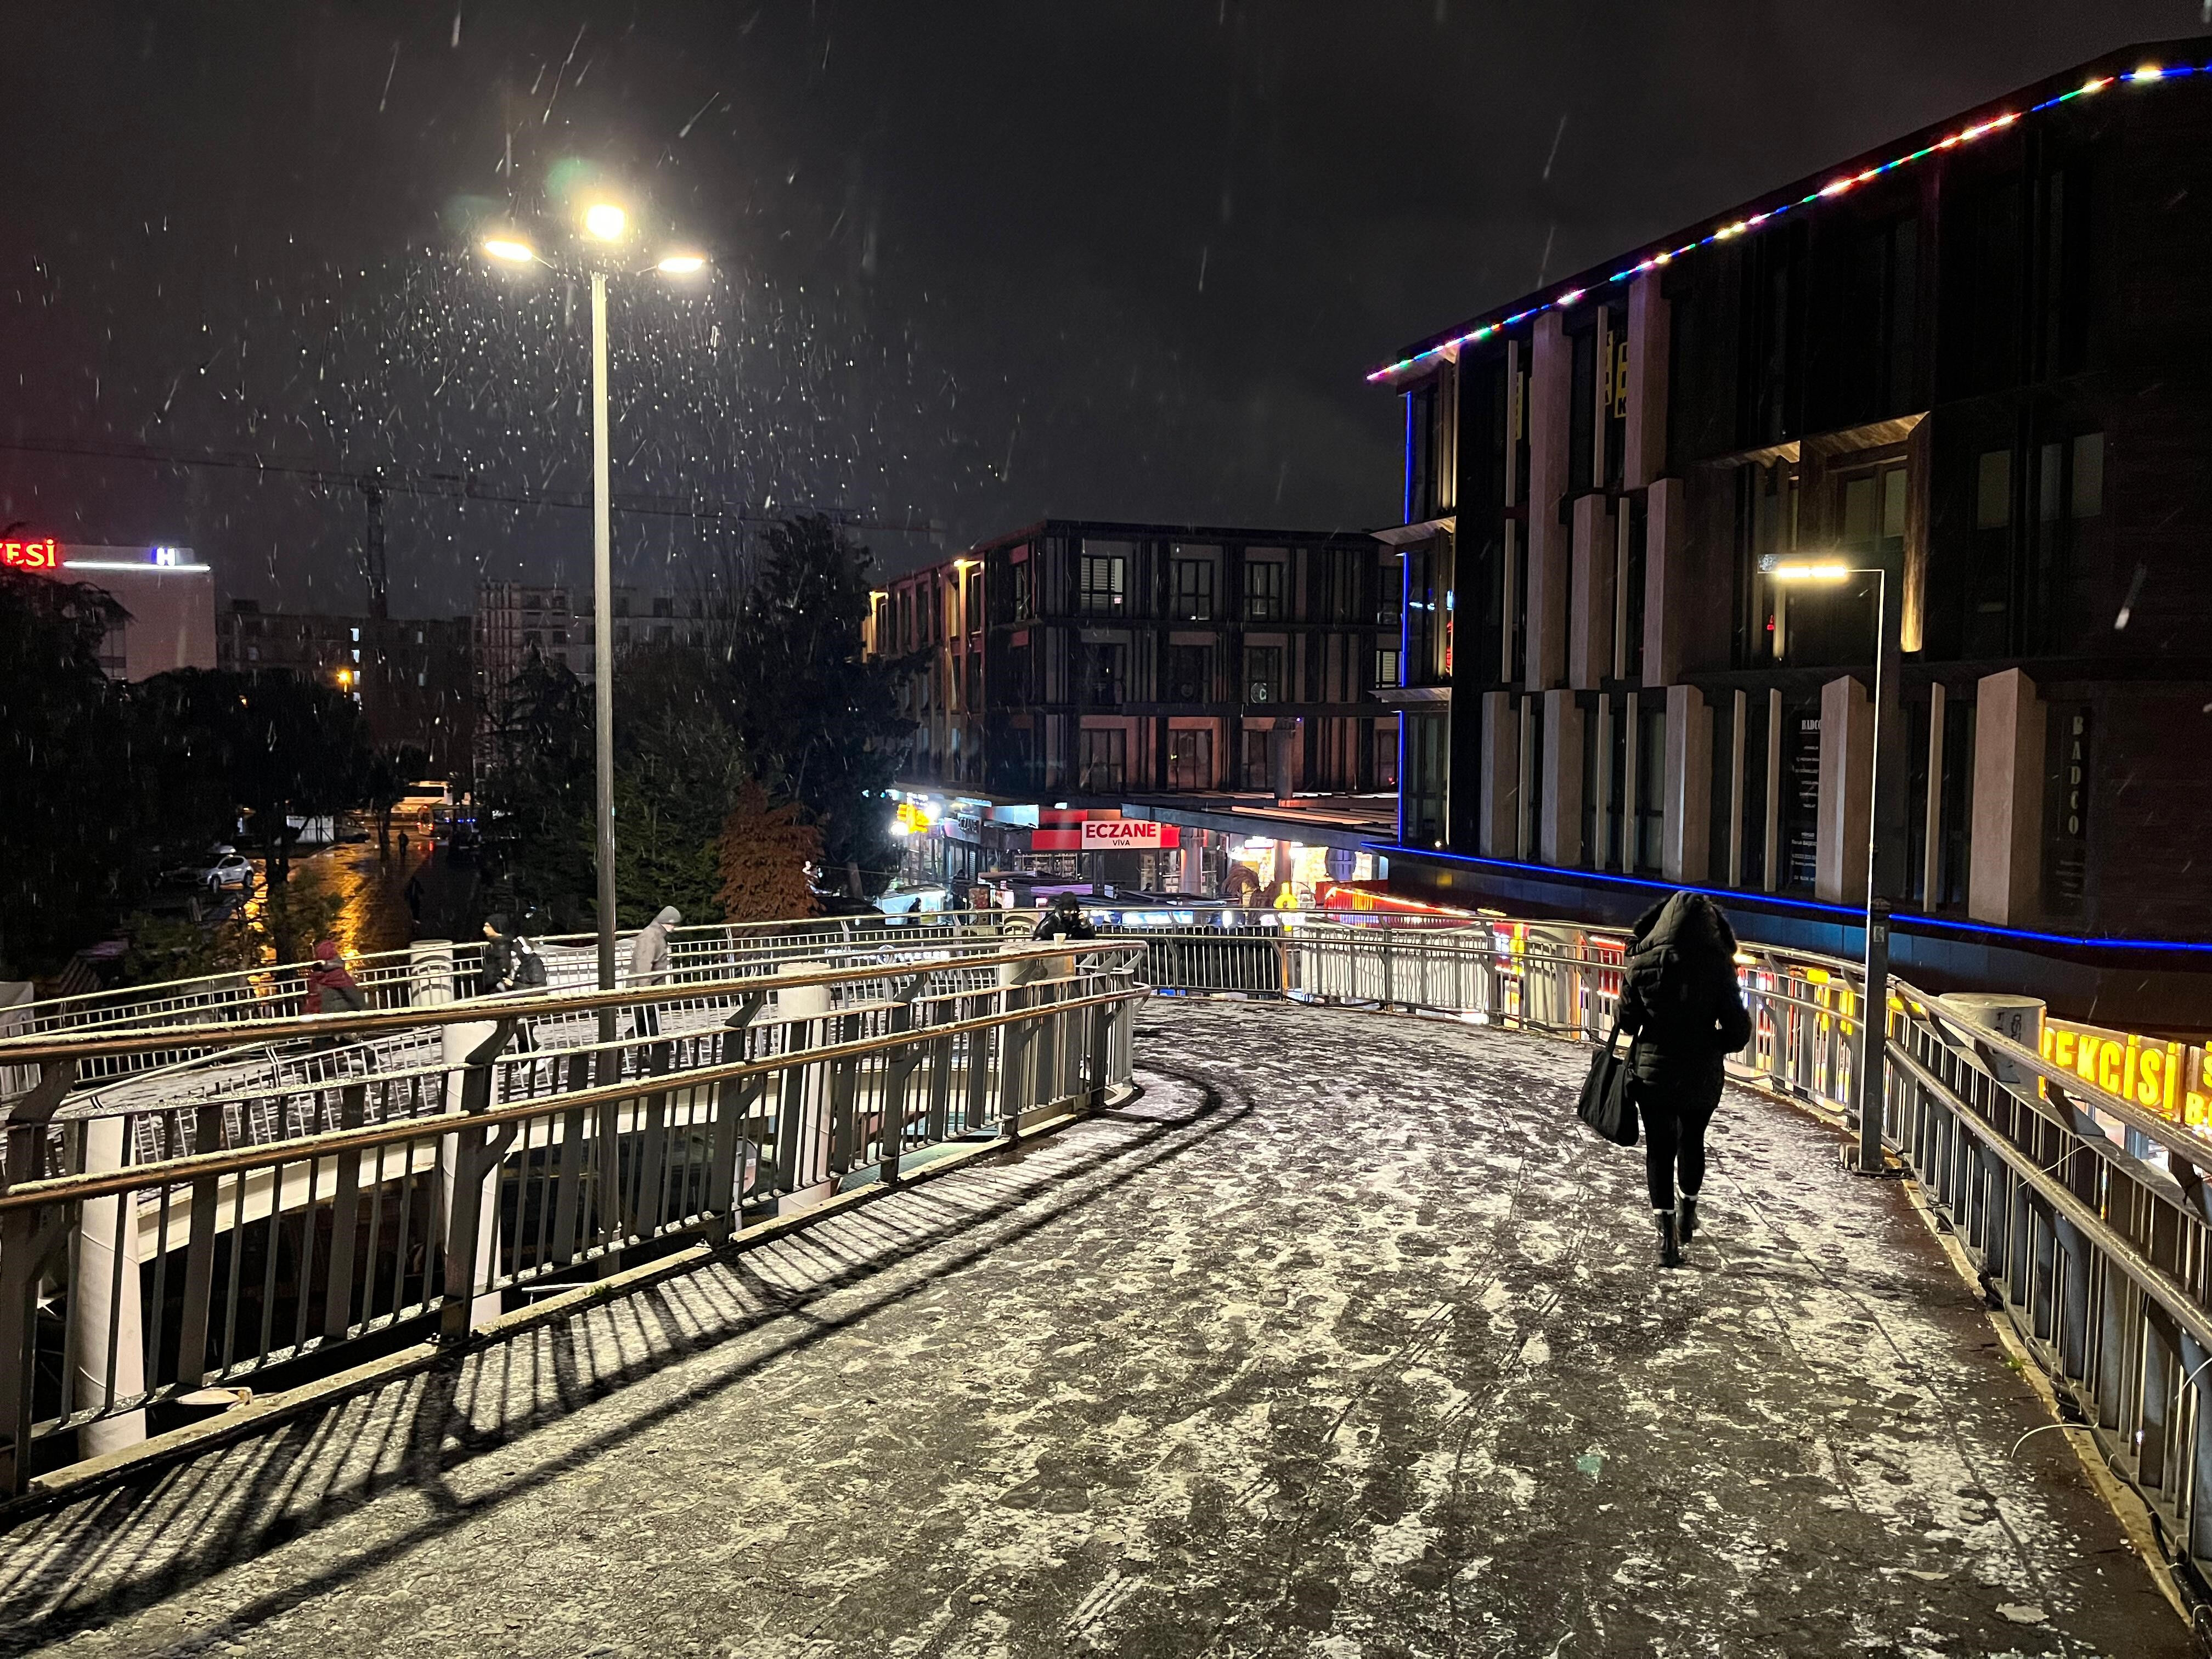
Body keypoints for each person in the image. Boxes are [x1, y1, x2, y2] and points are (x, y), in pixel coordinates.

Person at [1616, 890, 1753, 1268]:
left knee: (1659, 1150)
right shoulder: (1718, 966)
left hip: (1653, 1073)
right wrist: (1711, 1045)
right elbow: (1739, 1032)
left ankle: (1665, 1241)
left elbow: (1626, 1021)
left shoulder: (1641, 960)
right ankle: (1688, 1213)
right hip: (1700, 1074)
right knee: (1692, 1139)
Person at [628, 905, 682, 1037]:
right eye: (673, 924)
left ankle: (651, 1049)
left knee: (647, 1023)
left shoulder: (656, 935)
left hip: (648, 986)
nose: (674, 927)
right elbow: (643, 964)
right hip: (644, 988)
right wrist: (645, 989)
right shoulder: (650, 937)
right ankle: (652, 1049)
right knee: (648, 1022)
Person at [1031, 891, 1097, 943]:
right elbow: (1037, 941)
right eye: (1069, 910)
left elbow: (1091, 938)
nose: (1072, 912)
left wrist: (1084, 925)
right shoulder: (1052, 921)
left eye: (1074, 909)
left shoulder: (1077, 919)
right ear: (1062, 910)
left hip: (1074, 954)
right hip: (1055, 955)